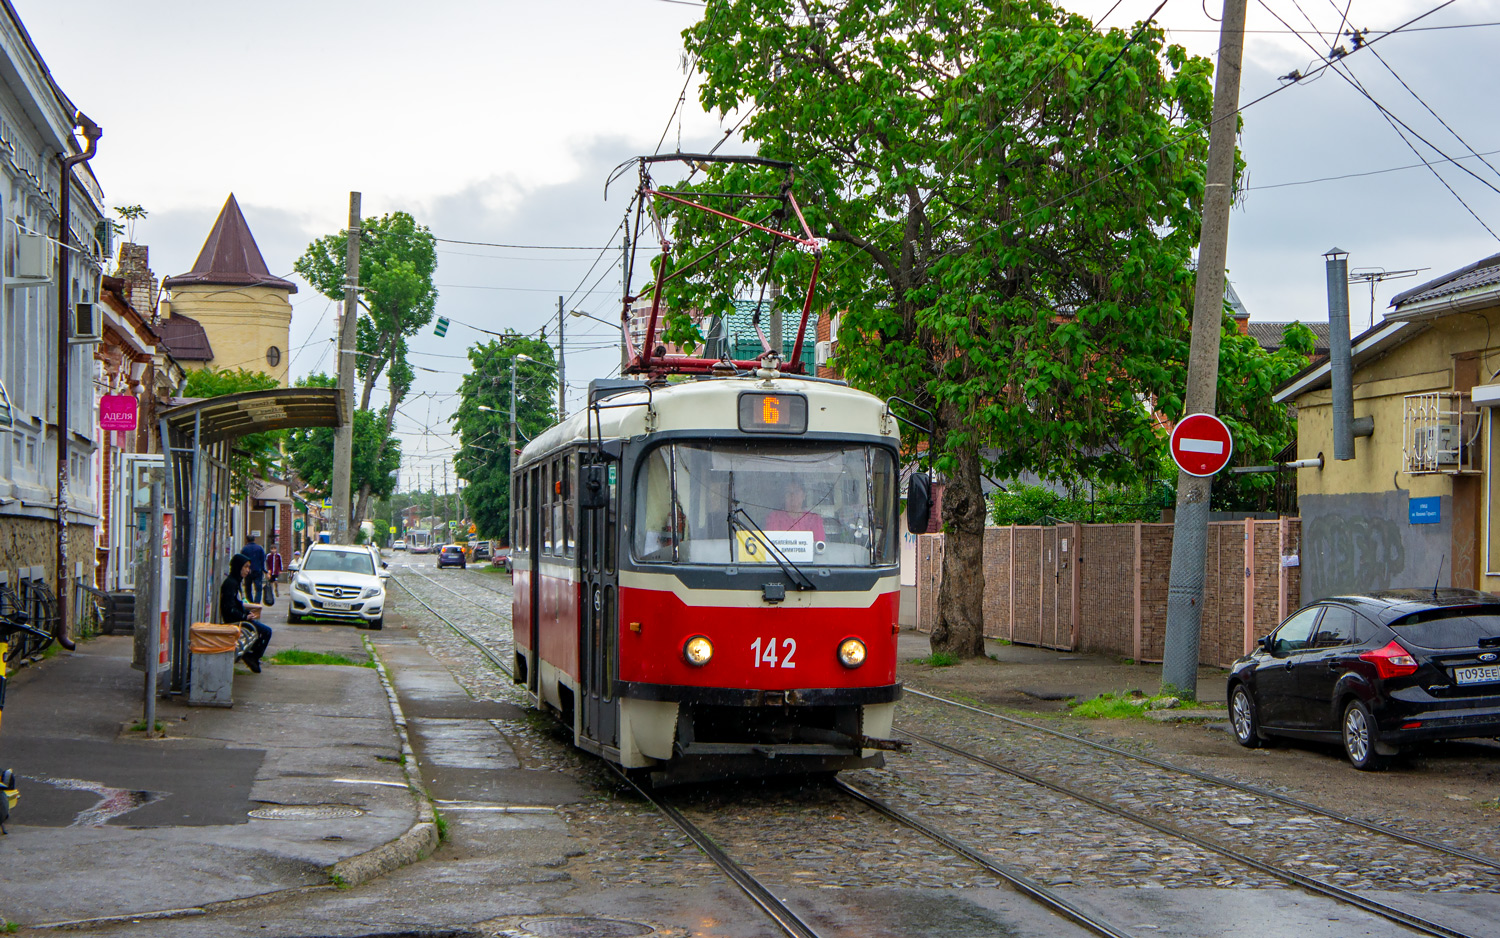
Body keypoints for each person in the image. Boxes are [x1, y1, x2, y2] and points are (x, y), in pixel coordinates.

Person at [222, 552, 271, 672]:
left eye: (249, 567)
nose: (248, 571)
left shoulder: (236, 582)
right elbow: (229, 608)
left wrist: (247, 614)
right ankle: (252, 656)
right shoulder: (231, 584)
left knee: (262, 630)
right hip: (235, 621)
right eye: (245, 567)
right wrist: (244, 616)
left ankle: (252, 656)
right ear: (238, 567)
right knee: (266, 631)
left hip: (240, 618)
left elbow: (237, 604)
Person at [240, 534, 267, 604]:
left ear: (247, 540)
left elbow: (242, 560)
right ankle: (256, 603)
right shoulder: (259, 548)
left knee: (248, 588)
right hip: (258, 571)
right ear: (254, 539)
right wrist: (264, 570)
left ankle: (250, 602)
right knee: (258, 589)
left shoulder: (244, 549)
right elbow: (263, 560)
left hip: (248, 571)